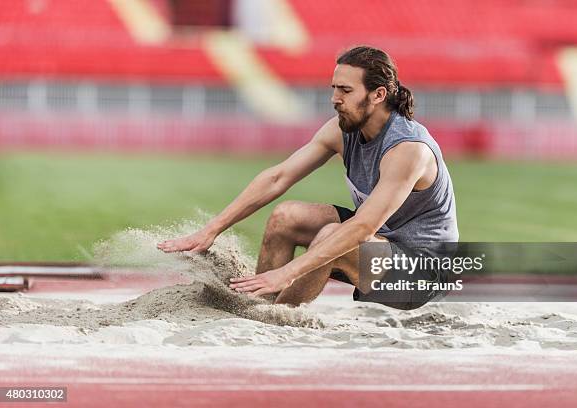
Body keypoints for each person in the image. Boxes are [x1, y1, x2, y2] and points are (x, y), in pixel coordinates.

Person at [157, 45, 458, 309]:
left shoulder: (408, 149)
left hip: (421, 276)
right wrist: (211, 230)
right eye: (334, 88)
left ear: (378, 94)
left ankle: (278, 318)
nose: (335, 99)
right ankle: (257, 305)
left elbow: (364, 227)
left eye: (346, 90)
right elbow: (278, 177)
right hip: (382, 247)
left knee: (333, 235)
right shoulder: (343, 129)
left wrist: (287, 273)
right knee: (285, 217)